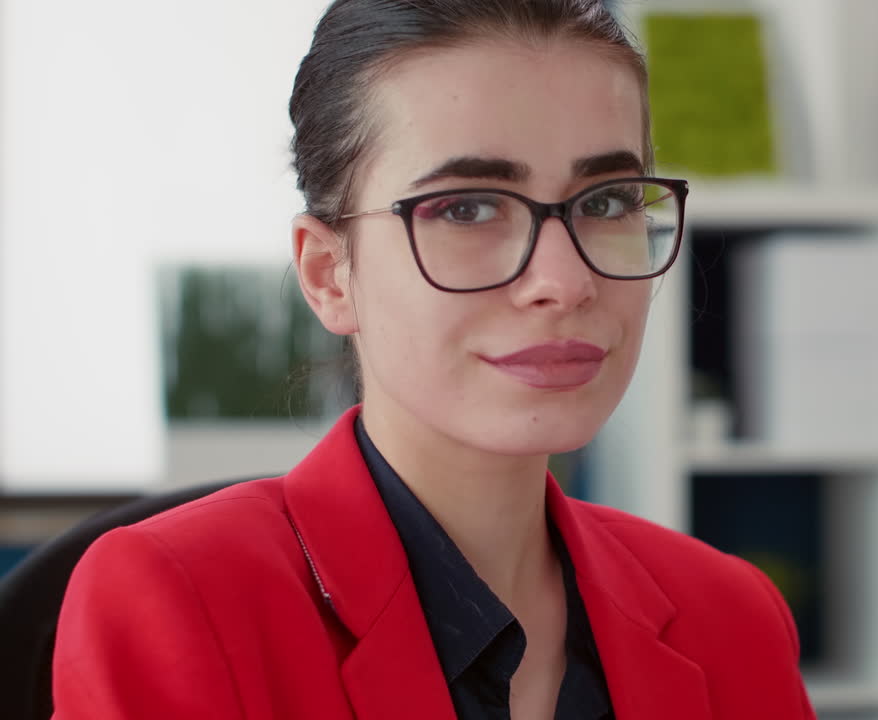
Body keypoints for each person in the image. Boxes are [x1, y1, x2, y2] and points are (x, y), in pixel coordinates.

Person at [51, 1, 815, 718]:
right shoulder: (177, 602)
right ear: (328, 274)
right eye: (466, 207)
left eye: (607, 201)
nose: (563, 281)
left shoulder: (732, 616)